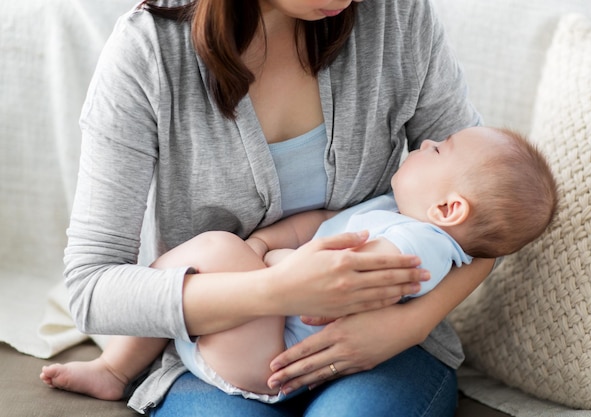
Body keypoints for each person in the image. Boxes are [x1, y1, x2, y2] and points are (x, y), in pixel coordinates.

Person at [42, 0, 512, 415]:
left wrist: (408, 326)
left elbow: (487, 215)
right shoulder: (150, 52)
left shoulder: (397, 16)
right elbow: (92, 288)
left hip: (380, 349)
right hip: (225, 342)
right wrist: (275, 290)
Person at [41, 126, 558, 404]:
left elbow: (345, 280)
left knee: (219, 251)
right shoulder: (394, 213)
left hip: (276, 357)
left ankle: (116, 367)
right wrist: (269, 241)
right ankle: (116, 368)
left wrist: (272, 264)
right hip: (261, 334)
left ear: (449, 209)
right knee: (218, 255)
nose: (424, 142)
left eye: (438, 150)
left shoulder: (423, 246)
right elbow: (323, 222)